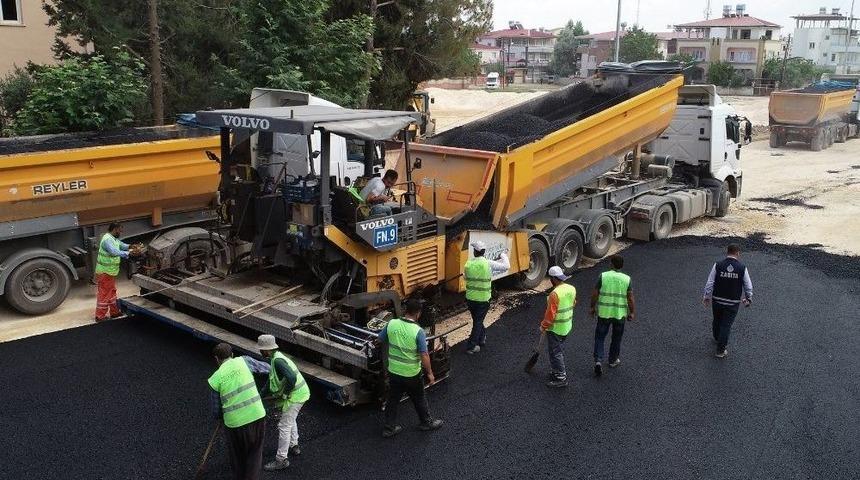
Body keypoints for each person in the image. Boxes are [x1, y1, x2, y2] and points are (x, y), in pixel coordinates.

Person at [378, 298, 443, 438]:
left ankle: (389, 428)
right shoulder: (418, 331)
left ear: (404, 310)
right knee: (419, 398)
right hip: (411, 374)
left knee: (393, 399)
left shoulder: (392, 324)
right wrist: (430, 373)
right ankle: (426, 422)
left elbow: (380, 339)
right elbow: (424, 354)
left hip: (394, 371)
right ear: (418, 313)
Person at [208, 343, 270, 480]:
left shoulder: (215, 378)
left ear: (217, 359)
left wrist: (220, 417)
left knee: (237, 457)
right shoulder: (245, 361)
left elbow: (216, 409)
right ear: (232, 355)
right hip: (257, 415)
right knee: (254, 454)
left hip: (234, 424)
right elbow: (268, 369)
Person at [256, 334, 310, 472]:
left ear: (267, 350)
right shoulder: (277, 358)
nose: (260, 351)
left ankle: (281, 460)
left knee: (284, 426)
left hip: (296, 395)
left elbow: (291, 378)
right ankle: (294, 445)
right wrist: (260, 395)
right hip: (300, 392)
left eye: (261, 349)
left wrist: (285, 393)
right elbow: (271, 380)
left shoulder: (278, 361)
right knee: (290, 419)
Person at [702, 243, 753, 358]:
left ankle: (717, 337)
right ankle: (720, 350)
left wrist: (706, 296)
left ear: (727, 252)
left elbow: (710, 282)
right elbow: (748, 285)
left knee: (717, 320)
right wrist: (748, 298)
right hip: (732, 302)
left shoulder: (718, 265)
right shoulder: (742, 268)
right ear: (738, 253)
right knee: (726, 325)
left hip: (717, 300)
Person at [590, 254, 635, 377]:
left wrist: (592, 307)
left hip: (604, 313)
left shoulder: (603, 276)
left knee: (600, 337)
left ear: (611, 264)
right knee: (616, 338)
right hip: (619, 315)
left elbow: (595, 293)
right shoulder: (627, 279)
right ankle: (613, 360)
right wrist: (632, 312)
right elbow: (630, 298)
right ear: (622, 266)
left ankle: (598, 360)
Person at [464, 240, 510, 355]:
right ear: (484, 252)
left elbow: (465, 277)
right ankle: (472, 346)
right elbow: (506, 266)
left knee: (477, 320)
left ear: (474, 252)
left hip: (470, 299)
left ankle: (482, 338)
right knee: (478, 322)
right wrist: (503, 255)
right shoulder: (488, 263)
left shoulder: (468, 264)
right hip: (483, 299)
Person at [540, 266, 577, 388]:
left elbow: (550, 315)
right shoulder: (571, 288)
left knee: (556, 352)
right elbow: (574, 303)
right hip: (567, 326)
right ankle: (556, 371)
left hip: (556, 328)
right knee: (557, 350)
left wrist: (543, 326)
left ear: (553, 279)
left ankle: (561, 377)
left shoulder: (554, 294)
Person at [94, 222, 131, 321]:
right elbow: (114, 252)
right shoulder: (107, 240)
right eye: (120, 230)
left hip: (110, 272)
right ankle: (100, 316)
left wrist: (131, 246)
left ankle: (114, 312)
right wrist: (129, 253)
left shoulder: (113, 238)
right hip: (105, 272)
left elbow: (121, 245)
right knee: (105, 294)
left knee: (111, 292)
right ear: (114, 229)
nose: (121, 232)